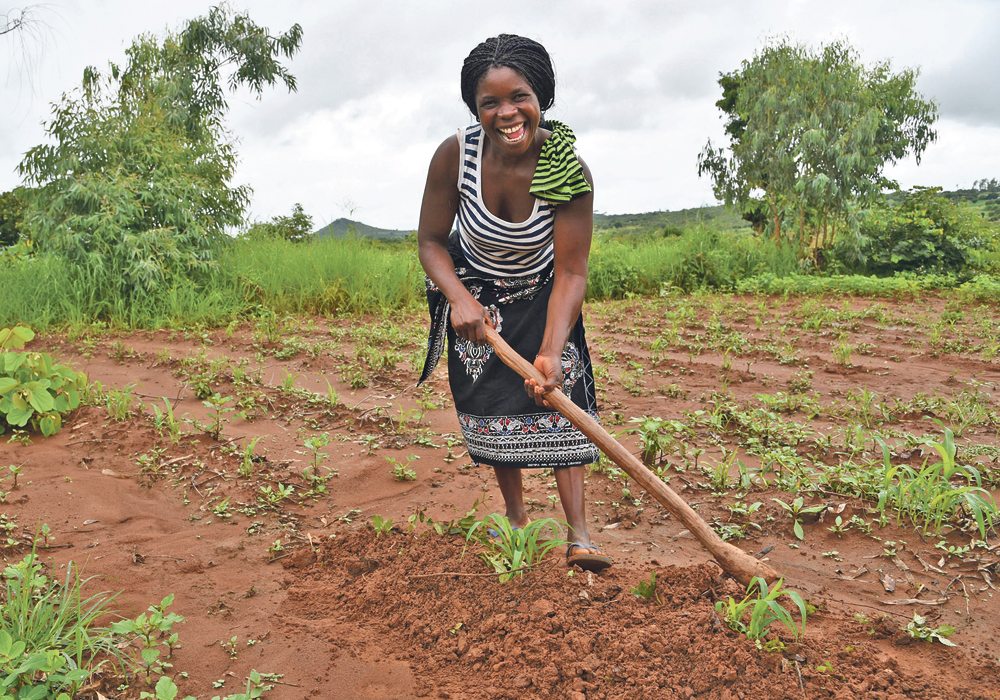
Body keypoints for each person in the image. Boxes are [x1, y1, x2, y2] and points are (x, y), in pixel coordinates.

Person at [417, 34, 611, 571]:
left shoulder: (567, 168)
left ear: (541, 96)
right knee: (497, 404)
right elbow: (431, 242)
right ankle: (518, 522)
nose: (507, 113)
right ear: (475, 108)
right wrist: (458, 298)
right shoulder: (456, 156)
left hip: (546, 292)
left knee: (561, 398)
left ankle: (580, 536)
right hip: (478, 297)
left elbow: (572, 270)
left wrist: (551, 349)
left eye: (518, 96)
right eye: (490, 103)